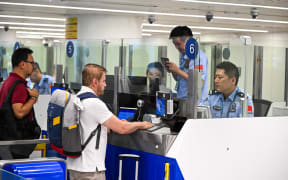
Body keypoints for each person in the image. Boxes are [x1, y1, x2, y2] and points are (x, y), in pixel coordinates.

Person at [67, 64, 153, 180]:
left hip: (75, 166)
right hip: (91, 170)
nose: (105, 85)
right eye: (103, 81)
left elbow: (90, 125)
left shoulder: (76, 98)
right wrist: (142, 124)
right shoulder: (94, 103)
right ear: (94, 82)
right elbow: (122, 128)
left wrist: (114, 123)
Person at [0, 48, 40, 159]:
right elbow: (19, 112)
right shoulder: (18, 85)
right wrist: (33, 98)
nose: (33, 66)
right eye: (31, 63)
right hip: (15, 144)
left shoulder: (8, 82)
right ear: (22, 64)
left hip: (6, 141)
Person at [165, 26, 208, 104]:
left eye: (178, 44)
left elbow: (198, 82)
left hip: (195, 103)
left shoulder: (198, 57)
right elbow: (180, 79)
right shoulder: (183, 56)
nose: (177, 47)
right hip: (183, 100)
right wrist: (173, 71)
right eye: (175, 45)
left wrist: (177, 70)